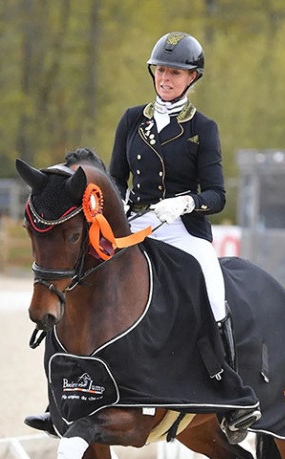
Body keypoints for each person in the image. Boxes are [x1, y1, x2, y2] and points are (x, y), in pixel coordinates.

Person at [108, 31, 260, 437]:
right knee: (85, 272)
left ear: (192, 78)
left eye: (175, 72)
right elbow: (113, 178)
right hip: (135, 223)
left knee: (211, 279)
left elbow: (217, 194)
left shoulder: (202, 128)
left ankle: (228, 384)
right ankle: (70, 373)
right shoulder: (131, 120)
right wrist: (117, 205)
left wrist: (184, 203)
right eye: (161, 70)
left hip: (179, 227)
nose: (166, 78)